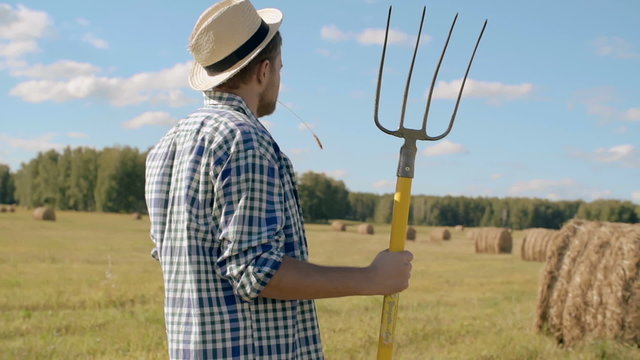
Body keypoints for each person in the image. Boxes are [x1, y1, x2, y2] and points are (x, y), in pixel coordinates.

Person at [145, 1, 413, 358]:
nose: (279, 82)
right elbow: (257, 272)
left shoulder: (166, 146)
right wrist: (371, 278)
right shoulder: (244, 140)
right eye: (280, 70)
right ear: (264, 71)